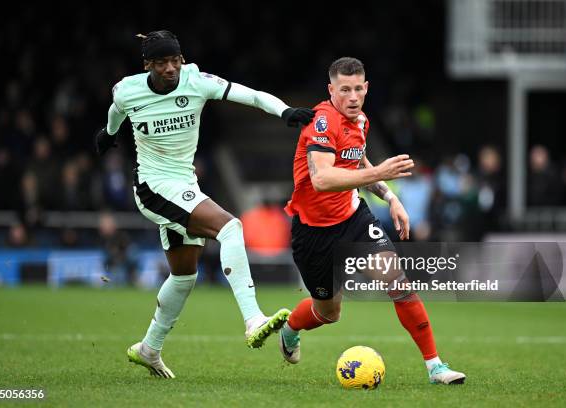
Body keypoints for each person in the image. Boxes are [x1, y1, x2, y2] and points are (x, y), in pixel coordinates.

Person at [95, 30, 315, 378]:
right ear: (148, 65)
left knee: (183, 276)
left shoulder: (197, 81)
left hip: (184, 185)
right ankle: (253, 319)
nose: (171, 68)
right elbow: (116, 111)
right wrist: (108, 134)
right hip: (153, 186)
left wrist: (284, 111)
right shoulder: (128, 90)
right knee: (231, 227)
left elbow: (253, 96)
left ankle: (149, 348)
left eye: (175, 60)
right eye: (163, 62)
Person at [279, 57, 466, 385]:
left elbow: (358, 167)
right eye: (344, 90)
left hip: (353, 219)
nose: (352, 97)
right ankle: (291, 327)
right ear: (331, 90)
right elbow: (321, 178)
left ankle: (435, 366)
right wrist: (380, 172)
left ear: (366, 88)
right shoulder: (321, 122)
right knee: (328, 313)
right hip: (313, 233)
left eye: (357, 89)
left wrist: (391, 197)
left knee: (397, 281)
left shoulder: (362, 121)